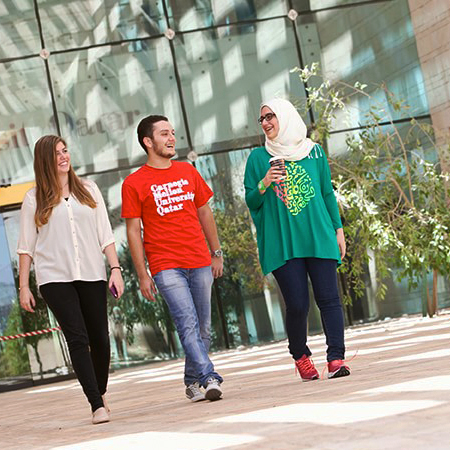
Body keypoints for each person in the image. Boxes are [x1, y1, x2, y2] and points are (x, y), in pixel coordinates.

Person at [17, 135, 124, 424]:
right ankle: (95, 405)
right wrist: (24, 286)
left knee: (100, 339)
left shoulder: (88, 189)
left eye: (65, 151)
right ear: (44, 161)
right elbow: (26, 246)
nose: (64, 157)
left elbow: (106, 234)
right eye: (56, 154)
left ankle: (99, 392)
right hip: (54, 278)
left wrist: (115, 269)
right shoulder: (34, 198)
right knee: (77, 337)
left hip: (91, 272)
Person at [244, 98, 350, 381]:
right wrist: (265, 181)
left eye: (271, 116)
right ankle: (300, 355)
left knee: (329, 299)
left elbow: (327, 192)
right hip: (283, 242)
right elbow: (251, 200)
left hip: (319, 235)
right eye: (262, 119)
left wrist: (338, 230)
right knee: (299, 304)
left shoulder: (314, 153)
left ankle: (336, 358)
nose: (266, 122)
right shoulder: (257, 159)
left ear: (286, 117)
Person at [121, 115, 224, 402]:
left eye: (172, 133)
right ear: (148, 142)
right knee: (187, 322)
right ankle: (209, 376)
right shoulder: (134, 183)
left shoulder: (188, 171)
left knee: (203, 326)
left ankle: (192, 381)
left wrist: (216, 253)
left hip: (199, 259)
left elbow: (205, 212)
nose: (171, 139)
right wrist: (142, 274)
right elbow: (132, 231)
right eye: (164, 134)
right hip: (166, 265)